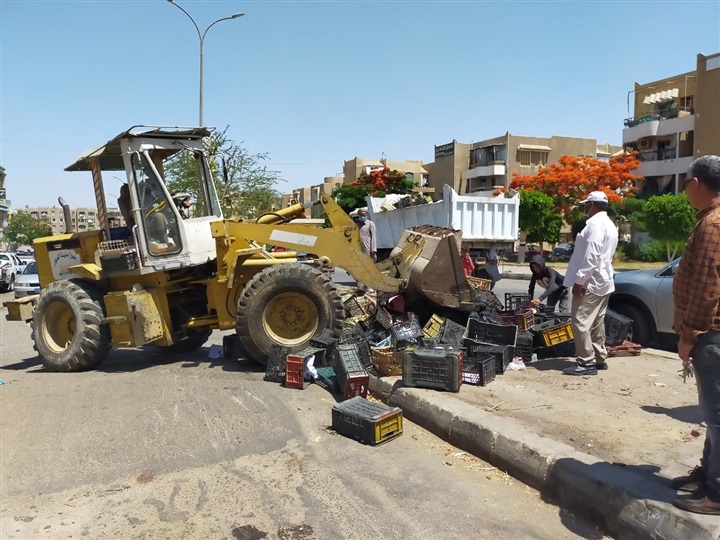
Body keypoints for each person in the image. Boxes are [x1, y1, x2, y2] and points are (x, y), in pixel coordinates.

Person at [670, 155, 720, 515]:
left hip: (711, 334)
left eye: (686, 183)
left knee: (717, 413)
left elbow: (706, 291)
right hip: (712, 333)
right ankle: (708, 475)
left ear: (696, 184)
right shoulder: (711, 220)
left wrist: (688, 337)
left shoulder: (712, 225)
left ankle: (716, 492)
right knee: (714, 412)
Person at [562, 191, 618, 376]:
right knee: (596, 322)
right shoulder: (609, 224)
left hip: (591, 282)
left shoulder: (594, 225)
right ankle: (599, 358)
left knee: (580, 321)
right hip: (604, 280)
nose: (584, 208)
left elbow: (591, 256)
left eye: (586, 204)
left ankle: (585, 362)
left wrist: (580, 281)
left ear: (592, 205)